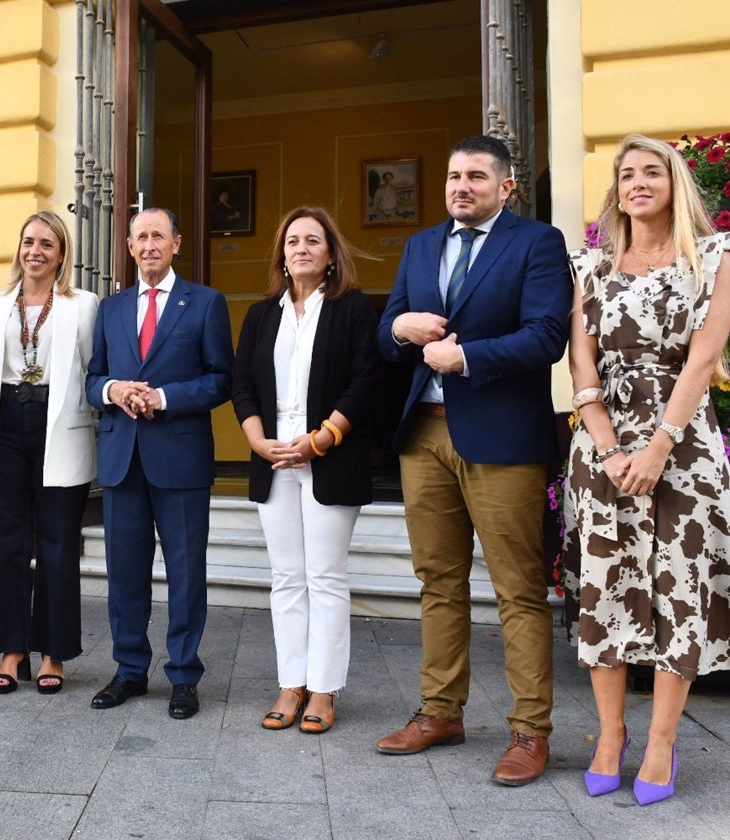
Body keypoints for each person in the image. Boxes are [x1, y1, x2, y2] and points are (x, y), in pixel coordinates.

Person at [375, 135, 571, 785]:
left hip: (502, 438)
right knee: (438, 581)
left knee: (517, 588)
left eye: (477, 177)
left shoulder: (536, 243)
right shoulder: (422, 244)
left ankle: (529, 731)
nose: (462, 186)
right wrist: (400, 329)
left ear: (505, 187)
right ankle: (440, 711)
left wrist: (470, 359)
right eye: (455, 176)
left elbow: (547, 335)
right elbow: (391, 328)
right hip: (424, 438)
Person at [564, 134, 730, 805]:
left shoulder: (714, 257)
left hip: (683, 448)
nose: (637, 182)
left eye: (651, 171)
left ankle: (661, 741)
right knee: (605, 590)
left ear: (675, 182)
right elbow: (582, 363)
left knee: (680, 593)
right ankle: (611, 736)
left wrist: (659, 445)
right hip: (603, 446)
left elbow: (703, 358)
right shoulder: (594, 266)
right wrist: (606, 446)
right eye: (626, 173)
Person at [231, 207, 381, 733]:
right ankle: (290, 683)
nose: (301, 249)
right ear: (282, 254)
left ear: (330, 252)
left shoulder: (354, 310)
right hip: (273, 456)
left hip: (328, 455)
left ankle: (323, 690)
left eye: (312, 240)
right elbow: (243, 384)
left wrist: (322, 438)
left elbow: (366, 381)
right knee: (286, 577)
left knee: (324, 576)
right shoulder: (261, 315)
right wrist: (256, 440)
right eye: (291, 240)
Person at [85, 207, 234, 719]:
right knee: (125, 573)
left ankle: (184, 675)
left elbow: (220, 379)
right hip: (122, 459)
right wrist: (113, 389)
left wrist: (164, 398)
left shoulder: (206, 303)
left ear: (176, 244)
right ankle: (129, 670)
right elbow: (92, 377)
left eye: (158, 236)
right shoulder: (111, 308)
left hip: (181, 458)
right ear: (129, 247)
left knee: (186, 572)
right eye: (140, 237)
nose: (149, 245)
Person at [0, 211, 98, 694]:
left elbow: (90, 367)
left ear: (62, 254)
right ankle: (11, 652)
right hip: (7, 422)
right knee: (5, 543)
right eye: (28, 242)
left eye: (47, 244)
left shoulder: (83, 305)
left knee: (58, 545)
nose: (36, 251)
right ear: (18, 248)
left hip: (59, 426)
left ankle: (53, 653)